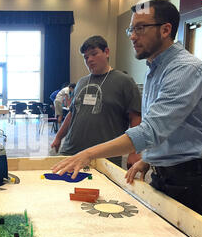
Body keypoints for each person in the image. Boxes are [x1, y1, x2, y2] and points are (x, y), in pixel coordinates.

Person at [52, 0, 202, 219]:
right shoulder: (155, 69)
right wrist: (149, 160)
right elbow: (171, 129)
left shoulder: (184, 69)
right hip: (164, 173)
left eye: (140, 28)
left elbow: (150, 129)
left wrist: (89, 153)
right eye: (131, 29)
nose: (132, 36)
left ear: (166, 29)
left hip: (188, 178)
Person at [51, 35, 142, 167]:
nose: (90, 60)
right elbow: (72, 114)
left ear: (106, 52)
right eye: (86, 57)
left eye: (94, 54)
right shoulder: (82, 82)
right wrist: (59, 137)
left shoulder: (124, 81)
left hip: (104, 155)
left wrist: (135, 151)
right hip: (71, 150)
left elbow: (135, 118)